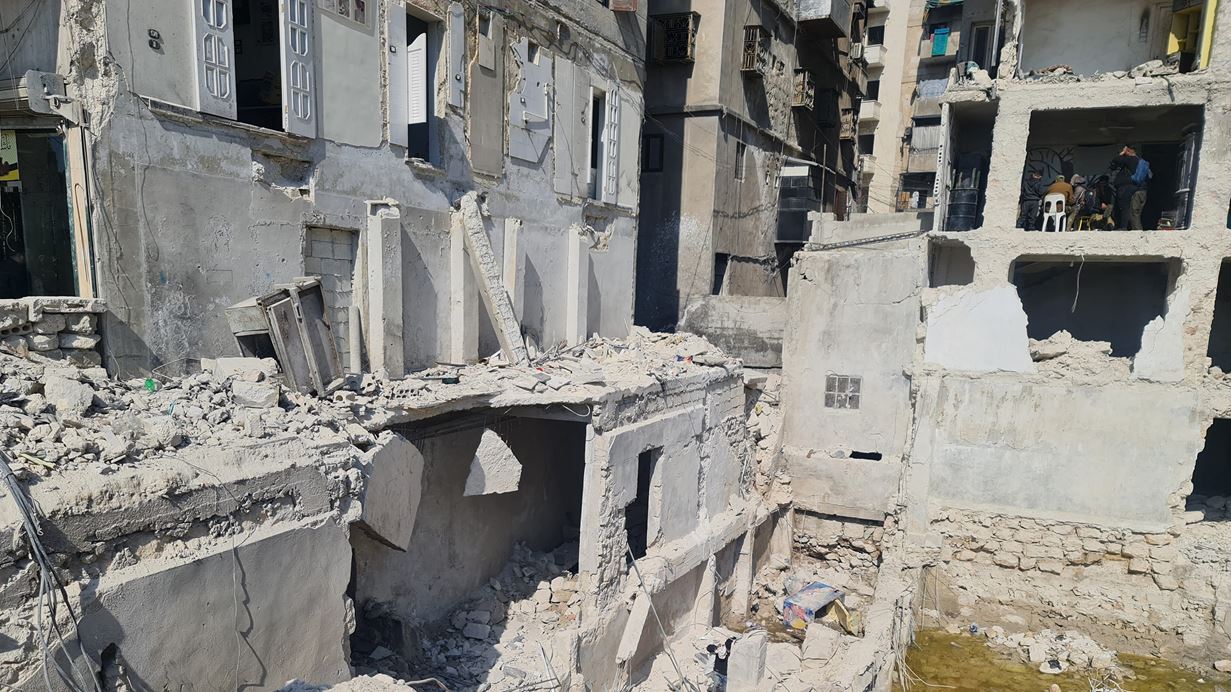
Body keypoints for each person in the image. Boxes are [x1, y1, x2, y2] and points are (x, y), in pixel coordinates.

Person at [1110, 145, 1150, 230]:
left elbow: (1116, 159)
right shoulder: (1138, 161)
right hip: (1139, 190)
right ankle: (1132, 229)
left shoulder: (1130, 159)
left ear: (1128, 151)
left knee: (1127, 208)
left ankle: (1125, 227)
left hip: (1128, 188)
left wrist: (1122, 153)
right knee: (1134, 212)